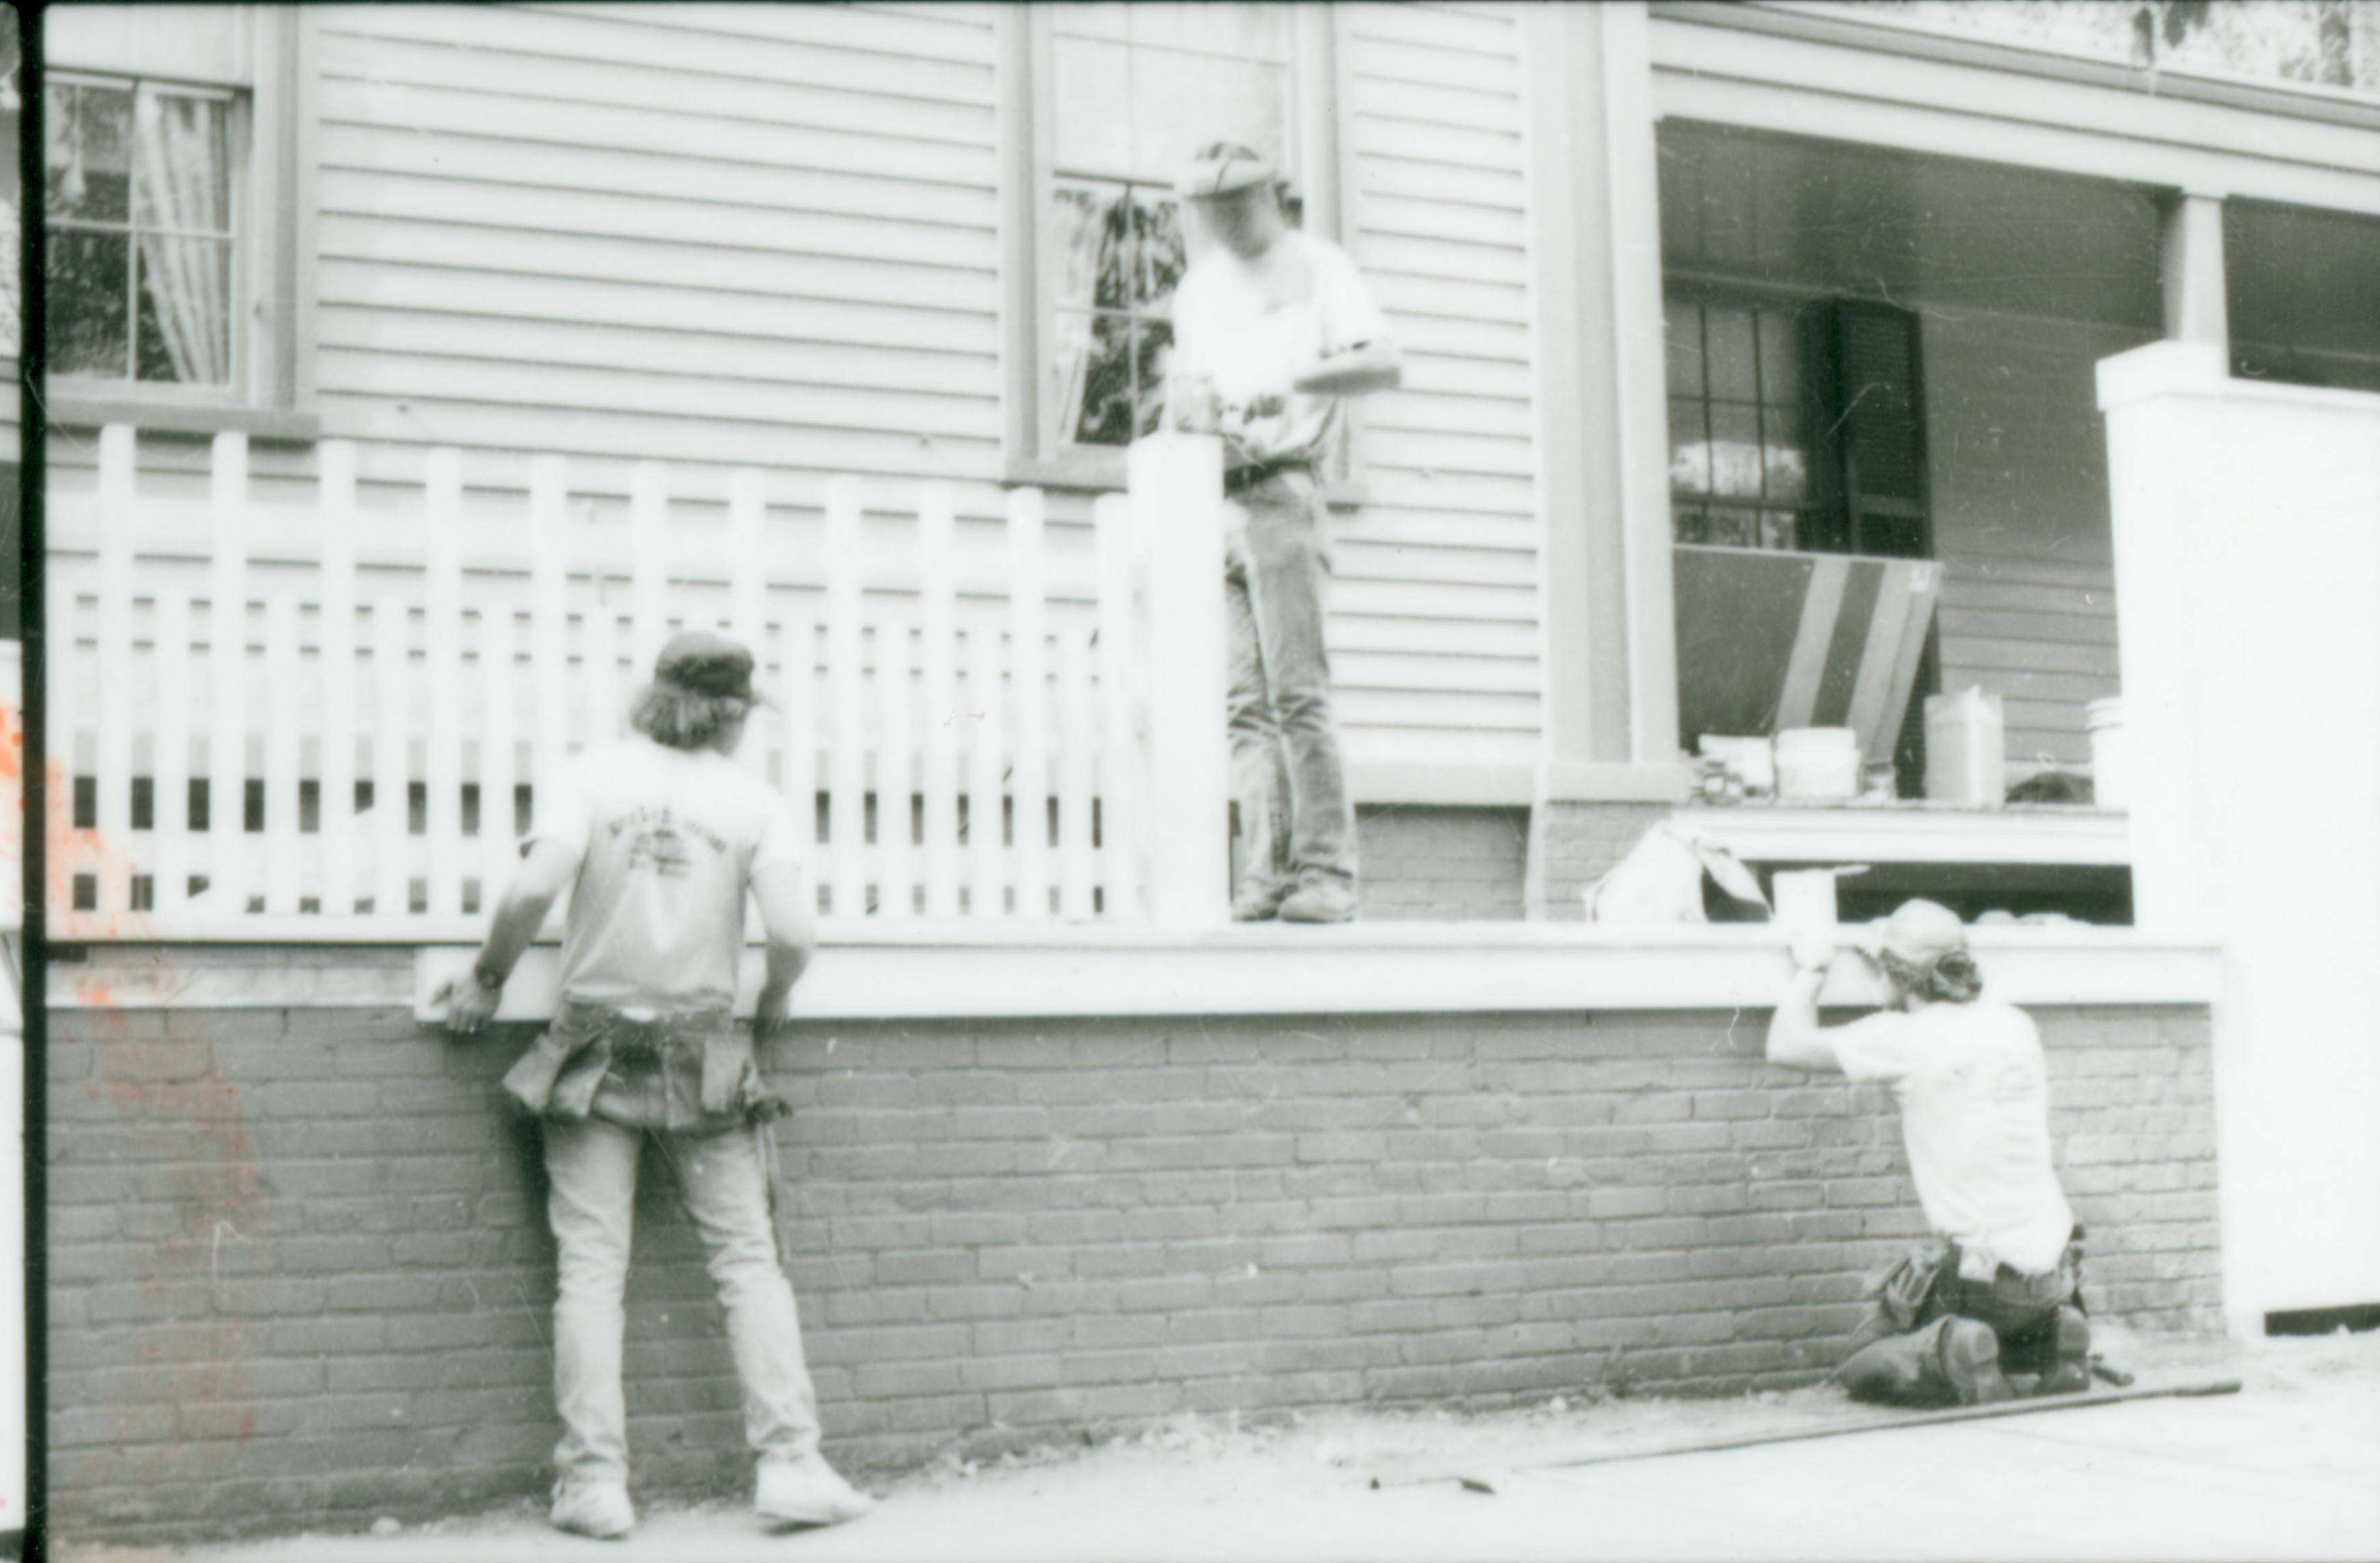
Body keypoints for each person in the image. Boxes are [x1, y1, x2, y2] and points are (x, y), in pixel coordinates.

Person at [436, 632, 871, 1539]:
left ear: (656, 695)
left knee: (591, 1271)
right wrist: (776, 994)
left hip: (590, 1047)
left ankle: (594, 1484)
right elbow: (793, 930)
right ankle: (790, 1463)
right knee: (748, 1262)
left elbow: (531, 890)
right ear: (735, 714)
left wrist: (486, 974)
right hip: (705, 1051)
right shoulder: (754, 800)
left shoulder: (591, 776)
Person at [1167, 141, 1401, 923]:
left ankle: (1327, 873)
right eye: (1209, 206)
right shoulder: (1199, 290)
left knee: (1297, 692)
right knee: (1242, 703)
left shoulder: (1317, 265)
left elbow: (1384, 362)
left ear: (1270, 195)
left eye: (1236, 202)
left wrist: (1289, 378)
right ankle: (1267, 876)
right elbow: (1196, 390)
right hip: (1214, 501)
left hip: (1281, 494)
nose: (1223, 219)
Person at [1765, 899, 2093, 1407]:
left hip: (1980, 1280)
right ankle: (2057, 1335)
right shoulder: (2015, 1025)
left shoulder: (1898, 1037)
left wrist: (1814, 966)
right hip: (2055, 1275)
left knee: (1863, 1358)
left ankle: (1950, 1348)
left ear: (1895, 976)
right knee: (2008, 1330)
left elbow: (1784, 1045)